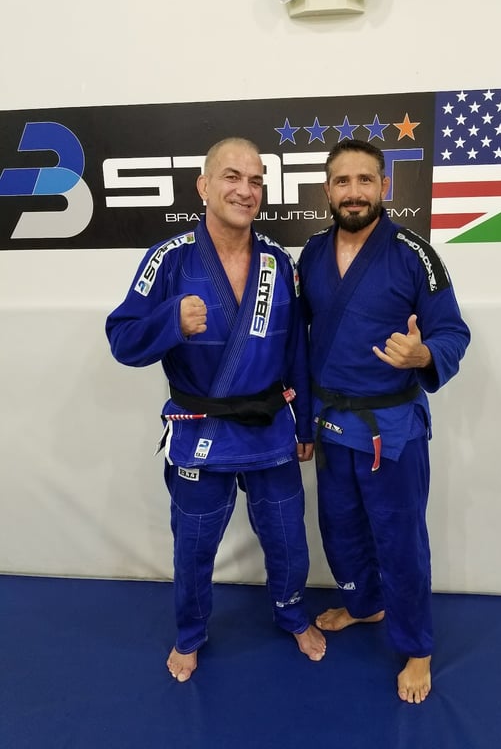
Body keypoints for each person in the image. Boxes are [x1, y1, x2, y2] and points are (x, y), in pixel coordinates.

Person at [106, 137, 326, 682]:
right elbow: (122, 338)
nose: (245, 191)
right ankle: (190, 634)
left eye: (256, 181)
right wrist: (170, 323)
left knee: (287, 536)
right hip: (200, 427)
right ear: (204, 185)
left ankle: (292, 614)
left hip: (269, 425)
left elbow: (296, 350)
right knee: (195, 545)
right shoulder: (169, 259)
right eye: (232, 177)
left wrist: (303, 422)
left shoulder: (278, 262)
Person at [297, 139, 470, 704]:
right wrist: (301, 420)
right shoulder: (312, 254)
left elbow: (452, 331)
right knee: (340, 528)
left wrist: (425, 355)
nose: (354, 192)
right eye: (342, 181)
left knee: (399, 540)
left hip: (390, 430)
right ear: (328, 190)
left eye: (365, 180)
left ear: (384, 187)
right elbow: (299, 340)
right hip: (331, 423)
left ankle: (417, 647)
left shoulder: (415, 254)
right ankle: (365, 604)